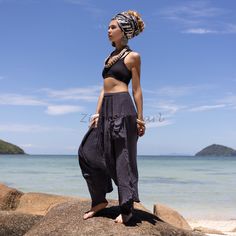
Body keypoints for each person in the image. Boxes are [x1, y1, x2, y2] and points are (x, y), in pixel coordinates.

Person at [78, 10, 146, 224]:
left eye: (113, 27)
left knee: (122, 156)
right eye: (108, 27)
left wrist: (140, 118)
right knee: (87, 151)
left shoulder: (132, 57)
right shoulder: (108, 57)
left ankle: (126, 208)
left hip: (123, 107)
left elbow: (137, 90)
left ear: (124, 30)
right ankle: (99, 200)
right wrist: (97, 112)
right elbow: (102, 88)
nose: (108, 30)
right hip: (106, 107)